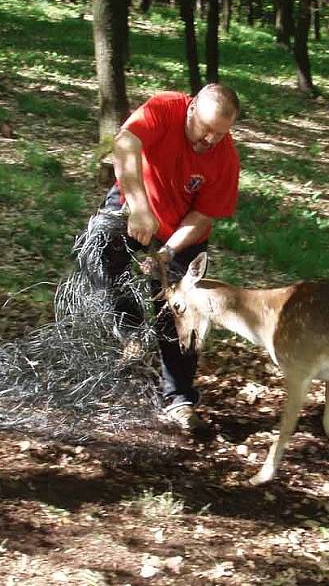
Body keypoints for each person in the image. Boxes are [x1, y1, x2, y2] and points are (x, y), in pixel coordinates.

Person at [95, 84, 241, 431]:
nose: (210, 140)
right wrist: (141, 208)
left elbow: (203, 216)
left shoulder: (226, 159)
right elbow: (125, 143)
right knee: (99, 252)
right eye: (206, 129)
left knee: (180, 310)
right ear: (191, 109)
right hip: (137, 197)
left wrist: (167, 251)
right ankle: (129, 331)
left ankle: (180, 399)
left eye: (221, 134)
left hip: (182, 231)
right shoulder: (166, 107)